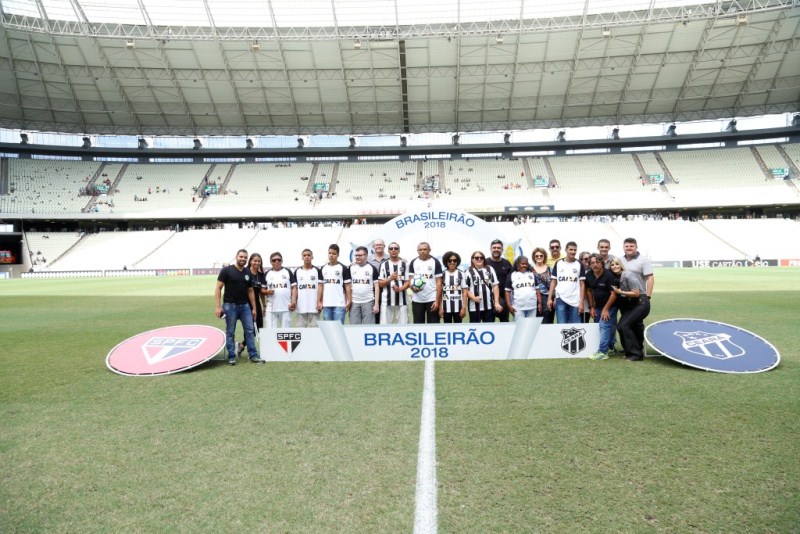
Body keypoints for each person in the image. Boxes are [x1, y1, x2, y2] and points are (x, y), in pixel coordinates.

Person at [214, 249, 264, 365]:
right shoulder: (227, 270)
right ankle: (232, 356)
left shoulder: (247, 272)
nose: (243, 259)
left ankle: (253, 355)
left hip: (245, 306)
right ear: (236, 257)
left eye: (245, 257)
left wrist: (254, 308)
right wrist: (218, 306)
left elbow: (250, 290)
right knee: (230, 332)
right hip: (229, 306)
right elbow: (218, 288)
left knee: (250, 331)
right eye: (241, 257)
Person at [609, 259, 650, 361]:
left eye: (617, 264)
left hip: (641, 303)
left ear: (621, 265)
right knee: (620, 327)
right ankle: (629, 352)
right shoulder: (615, 277)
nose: (615, 266)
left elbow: (636, 293)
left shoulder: (628, 275)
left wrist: (620, 292)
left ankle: (636, 354)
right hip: (631, 304)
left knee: (624, 326)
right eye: (612, 265)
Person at [585, 253, 617, 360]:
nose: (595, 265)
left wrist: (606, 309)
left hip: (611, 305)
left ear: (602, 263)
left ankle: (603, 352)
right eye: (592, 263)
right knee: (603, 326)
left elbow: (613, 294)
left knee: (604, 325)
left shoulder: (609, 275)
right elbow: (589, 290)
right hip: (598, 306)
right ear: (589, 264)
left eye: (597, 262)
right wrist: (592, 307)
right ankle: (611, 346)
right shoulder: (589, 275)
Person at [236, 252, 266, 358]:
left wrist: (264, 305)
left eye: (259, 261)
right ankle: (251, 353)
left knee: (259, 328)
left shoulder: (261, 275)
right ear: (250, 261)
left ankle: (241, 345)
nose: (257, 263)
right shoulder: (245, 272)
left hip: (256, 304)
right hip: (245, 304)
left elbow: (261, 292)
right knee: (249, 329)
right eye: (255, 261)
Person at [547, 241, 585, 324]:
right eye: (571, 249)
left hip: (575, 300)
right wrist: (549, 299)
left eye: (575, 250)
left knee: (576, 326)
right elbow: (553, 281)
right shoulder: (558, 263)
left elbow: (582, 285)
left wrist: (582, 302)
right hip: (560, 299)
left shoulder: (579, 264)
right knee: (562, 325)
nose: (573, 252)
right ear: (566, 250)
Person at [407, 242, 443, 324]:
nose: (422, 251)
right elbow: (410, 279)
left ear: (429, 250)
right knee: (418, 325)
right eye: (420, 250)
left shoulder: (435, 262)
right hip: (417, 299)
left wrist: (437, 301)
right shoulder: (413, 262)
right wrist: (412, 288)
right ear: (417, 251)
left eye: (425, 249)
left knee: (433, 325)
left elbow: (439, 282)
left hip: (432, 299)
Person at [465, 250, 502, 323]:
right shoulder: (468, 271)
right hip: (474, 307)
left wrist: (496, 302)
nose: (479, 259)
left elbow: (495, 286)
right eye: (477, 258)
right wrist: (473, 298)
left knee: (489, 327)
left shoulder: (489, 269)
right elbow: (465, 289)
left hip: (489, 306)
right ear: (472, 260)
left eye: (481, 258)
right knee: (475, 327)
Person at [378, 242, 410, 324]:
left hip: (402, 300)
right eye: (391, 248)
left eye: (396, 248)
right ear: (388, 251)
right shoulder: (383, 264)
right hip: (386, 300)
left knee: (403, 325)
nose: (393, 250)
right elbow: (380, 283)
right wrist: (390, 278)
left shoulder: (405, 264)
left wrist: (400, 289)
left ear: (399, 250)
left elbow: (408, 282)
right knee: (385, 326)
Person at [319, 244, 351, 323]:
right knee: (328, 328)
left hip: (339, 304)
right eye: (329, 253)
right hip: (326, 304)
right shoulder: (323, 268)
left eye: (334, 253)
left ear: (338, 255)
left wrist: (349, 301)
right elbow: (320, 286)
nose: (331, 255)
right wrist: (319, 301)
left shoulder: (343, 268)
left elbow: (347, 286)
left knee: (338, 327)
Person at [264, 252, 297, 329]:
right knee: (271, 332)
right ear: (270, 262)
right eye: (274, 260)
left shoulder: (287, 272)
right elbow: (262, 290)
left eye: (279, 260)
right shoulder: (267, 274)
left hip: (286, 307)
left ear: (282, 261)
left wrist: (293, 302)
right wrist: (267, 292)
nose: (276, 261)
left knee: (286, 332)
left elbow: (294, 287)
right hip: (271, 309)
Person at [349, 246, 380, 324]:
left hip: (368, 301)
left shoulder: (372, 268)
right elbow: (347, 286)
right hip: (354, 302)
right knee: (354, 328)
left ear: (366, 256)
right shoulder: (351, 268)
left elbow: (376, 287)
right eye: (356, 255)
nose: (357, 257)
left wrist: (376, 304)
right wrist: (348, 301)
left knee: (369, 328)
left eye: (360, 255)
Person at [293, 249, 323, 327]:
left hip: (314, 307)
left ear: (312, 257)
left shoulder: (317, 270)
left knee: (315, 330)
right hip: (301, 307)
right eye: (304, 255)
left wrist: (319, 302)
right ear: (302, 257)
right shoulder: (297, 271)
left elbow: (320, 287)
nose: (306, 257)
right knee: (301, 330)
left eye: (309, 255)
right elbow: (295, 288)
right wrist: (294, 301)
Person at [505, 255, 539, 321]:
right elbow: (507, 292)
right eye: (522, 264)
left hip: (532, 306)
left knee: (531, 325)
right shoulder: (512, 275)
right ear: (517, 264)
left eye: (526, 264)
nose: (524, 265)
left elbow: (537, 289)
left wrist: (539, 303)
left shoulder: (532, 274)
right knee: (519, 326)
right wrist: (509, 305)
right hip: (518, 307)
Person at [486, 239, 513, 322]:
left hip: (504, 298)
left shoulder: (507, 263)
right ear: (490, 249)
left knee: (505, 322)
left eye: (498, 248)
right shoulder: (485, 263)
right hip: (488, 298)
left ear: (502, 250)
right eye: (494, 247)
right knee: (489, 323)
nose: (496, 249)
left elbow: (511, 280)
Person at [439, 250, 467, 323]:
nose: (452, 262)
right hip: (445, 308)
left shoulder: (461, 274)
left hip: (458, 307)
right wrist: (440, 307)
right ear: (446, 261)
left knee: (458, 327)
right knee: (447, 327)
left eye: (454, 260)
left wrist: (464, 307)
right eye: (449, 260)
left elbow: (464, 292)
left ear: (457, 262)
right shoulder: (442, 274)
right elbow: (440, 292)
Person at [367, 239, 388, 323]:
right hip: (372, 290)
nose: (378, 246)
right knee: (374, 312)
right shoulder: (367, 259)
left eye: (380, 245)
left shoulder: (389, 257)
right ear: (373, 247)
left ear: (384, 246)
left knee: (385, 313)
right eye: (376, 245)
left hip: (386, 289)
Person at [531, 247, 553, 324]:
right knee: (535, 322)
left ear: (544, 256)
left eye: (541, 255)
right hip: (534, 298)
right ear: (534, 257)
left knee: (547, 321)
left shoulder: (550, 269)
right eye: (537, 256)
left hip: (548, 298)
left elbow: (554, 284)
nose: (539, 257)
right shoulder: (530, 270)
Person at [578, 251, 592, 323]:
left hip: (589, 302)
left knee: (585, 322)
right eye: (586, 259)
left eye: (590, 259)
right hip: (578, 301)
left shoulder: (593, 271)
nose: (588, 261)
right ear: (581, 260)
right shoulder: (577, 270)